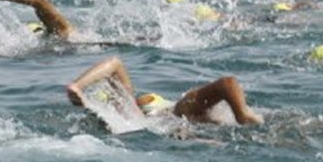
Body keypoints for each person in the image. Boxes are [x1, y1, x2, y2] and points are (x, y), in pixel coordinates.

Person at [66, 56, 263, 127]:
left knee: (226, 87)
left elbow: (115, 64)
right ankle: (244, 117)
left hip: (168, 119)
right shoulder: (138, 109)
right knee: (227, 85)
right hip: (175, 113)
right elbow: (227, 83)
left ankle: (77, 87)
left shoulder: (132, 114)